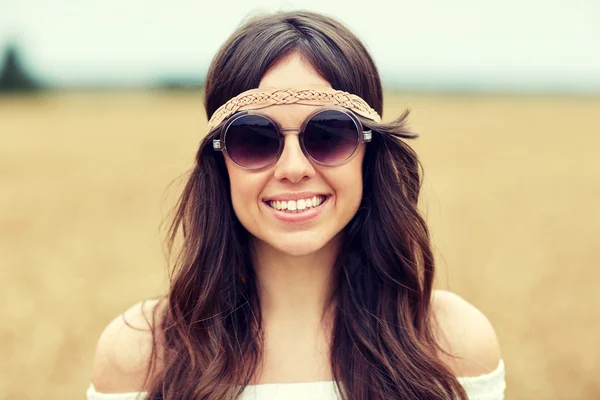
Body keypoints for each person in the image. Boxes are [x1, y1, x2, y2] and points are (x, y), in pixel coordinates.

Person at [87, 10, 505, 400]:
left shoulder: (450, 343)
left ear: (369, 153)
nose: (292, 168)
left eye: (328, 134)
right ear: (219, 161)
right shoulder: (141, 353)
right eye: (254, 138)